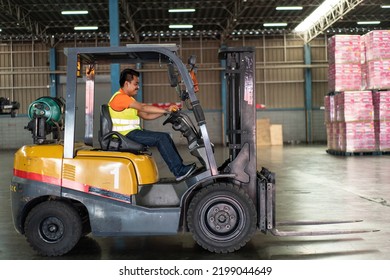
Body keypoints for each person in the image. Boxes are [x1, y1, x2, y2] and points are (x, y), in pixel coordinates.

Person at [108, 68, 196, 181]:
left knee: (165, 137)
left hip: (131, 133)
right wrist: (165, 110)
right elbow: (143, 107)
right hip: (124, 136)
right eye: (136, 84)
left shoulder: (129, 100)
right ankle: (179, 171)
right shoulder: (120, 98)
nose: (138, 87)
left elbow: (146, 115)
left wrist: (166, 113)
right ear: (127, 83)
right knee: (161, 138)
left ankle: (181, 168)